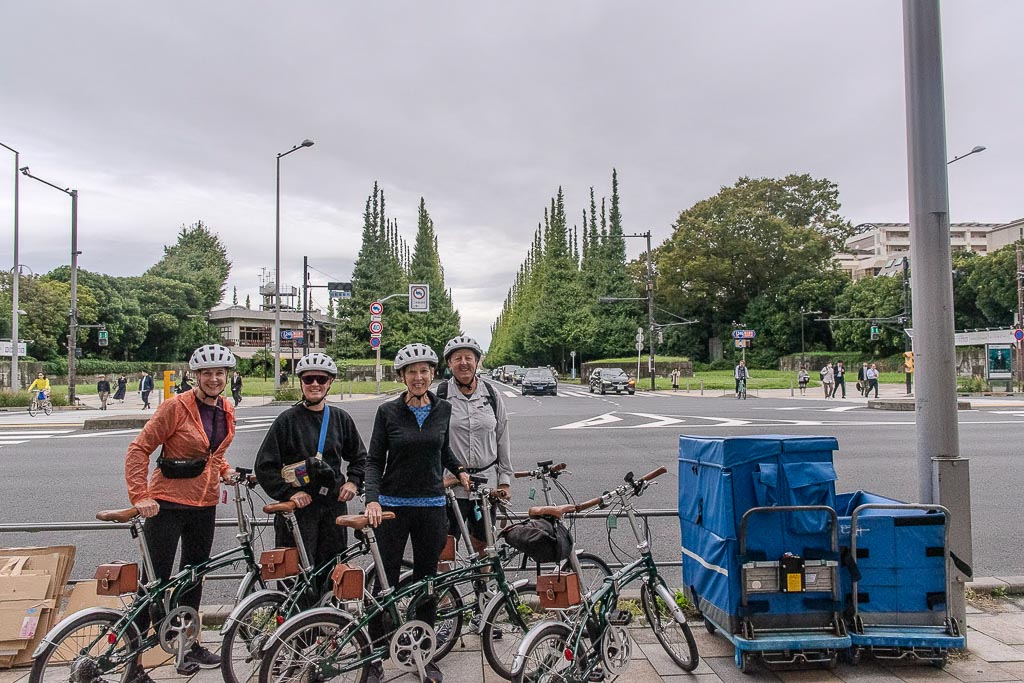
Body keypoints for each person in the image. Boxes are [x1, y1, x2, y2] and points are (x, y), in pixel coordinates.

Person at [124, 344, 237, 675]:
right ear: (196, 376)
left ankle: (187, 645)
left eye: (220, 373)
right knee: (153, 583)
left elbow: (213, 452)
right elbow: (139, 449)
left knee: (193, 579)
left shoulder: (227, 409)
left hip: (205, 504)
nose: (214, 379)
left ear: (227, 376)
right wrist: (139, 495)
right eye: (207, 373)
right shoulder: (175, 407)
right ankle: (133, 665)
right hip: (167, 505)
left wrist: (226, 471)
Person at [364, 343, 470, 683]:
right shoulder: (387, 412)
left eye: (424, 371)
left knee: (428, 584)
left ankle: (423, 653)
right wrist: (373, 499)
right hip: (393, 507)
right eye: (412, 372)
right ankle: (374, 656)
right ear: (402, 377)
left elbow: (442, 449)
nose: (419, 377)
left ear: (432, 373)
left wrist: (460, 469)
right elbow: (374, 460)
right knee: (385, 584)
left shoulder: (443, 409)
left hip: (432, 506)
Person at [255, 353, 367, 595]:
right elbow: (265, 466)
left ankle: (327, 628)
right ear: (301, 383)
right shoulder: (287, 421)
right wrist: (290, 493)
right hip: (299, 512)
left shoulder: (340, 419)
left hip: (332, 508)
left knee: (331, 572)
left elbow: (360, 457)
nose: (315, 384)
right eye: (308, 379)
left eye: (321, 379)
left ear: (329, 383)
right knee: (295, 578)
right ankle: (295, 629)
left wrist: (353, 483)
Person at [437, 336, 512, 560]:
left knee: (484, 545)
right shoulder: (440, 396)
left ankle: (484, 591)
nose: (463, 363)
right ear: (449, 363)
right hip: (451, 484)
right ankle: (446, 595)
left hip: (485, 485)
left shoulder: (491, 394)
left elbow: (502, 437)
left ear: (477, 361)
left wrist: (505, 480)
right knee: (446, 546)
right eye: (457, 358)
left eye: (468, 357)